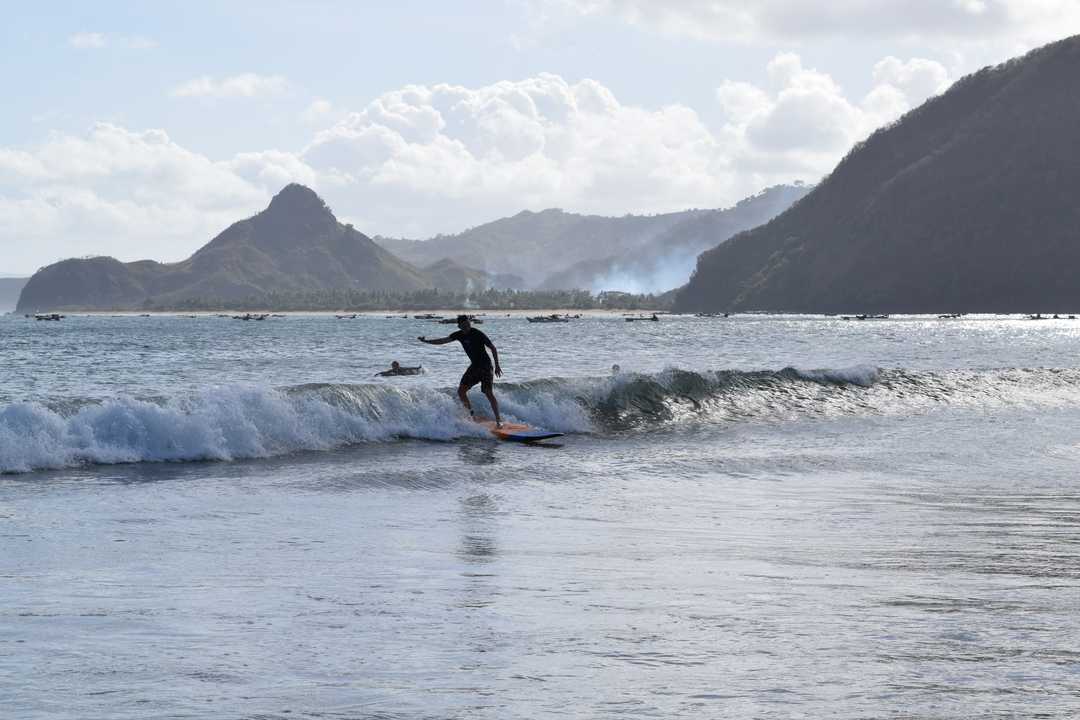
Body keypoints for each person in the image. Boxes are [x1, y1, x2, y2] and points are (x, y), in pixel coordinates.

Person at [418, 314, 503, 426]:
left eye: (468, 326)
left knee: (488, 391)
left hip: (486, 366)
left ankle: (498, 420)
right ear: (459, 327)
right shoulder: (458, 335)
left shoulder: (478, 334)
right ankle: (471, 416)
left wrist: (497, 366)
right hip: (474, 366)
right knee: (461, 391)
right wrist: (426, 341)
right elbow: (442, 341)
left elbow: (493, 348)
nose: (467, 328)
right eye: (464, 327)